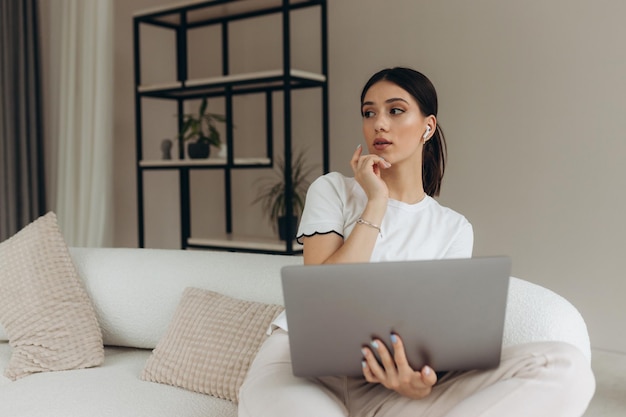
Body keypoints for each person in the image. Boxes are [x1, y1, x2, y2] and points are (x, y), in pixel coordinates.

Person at [238, 67, 595, 417]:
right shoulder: (332, 189)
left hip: (391, 388)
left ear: (428, 126)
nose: (379, 123)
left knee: (566, 367)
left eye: (395, 110)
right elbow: (319, 299)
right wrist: (375, 203)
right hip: (302, 371)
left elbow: (438, 336)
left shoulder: (453, 228)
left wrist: (418, 383)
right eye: (369, 112)